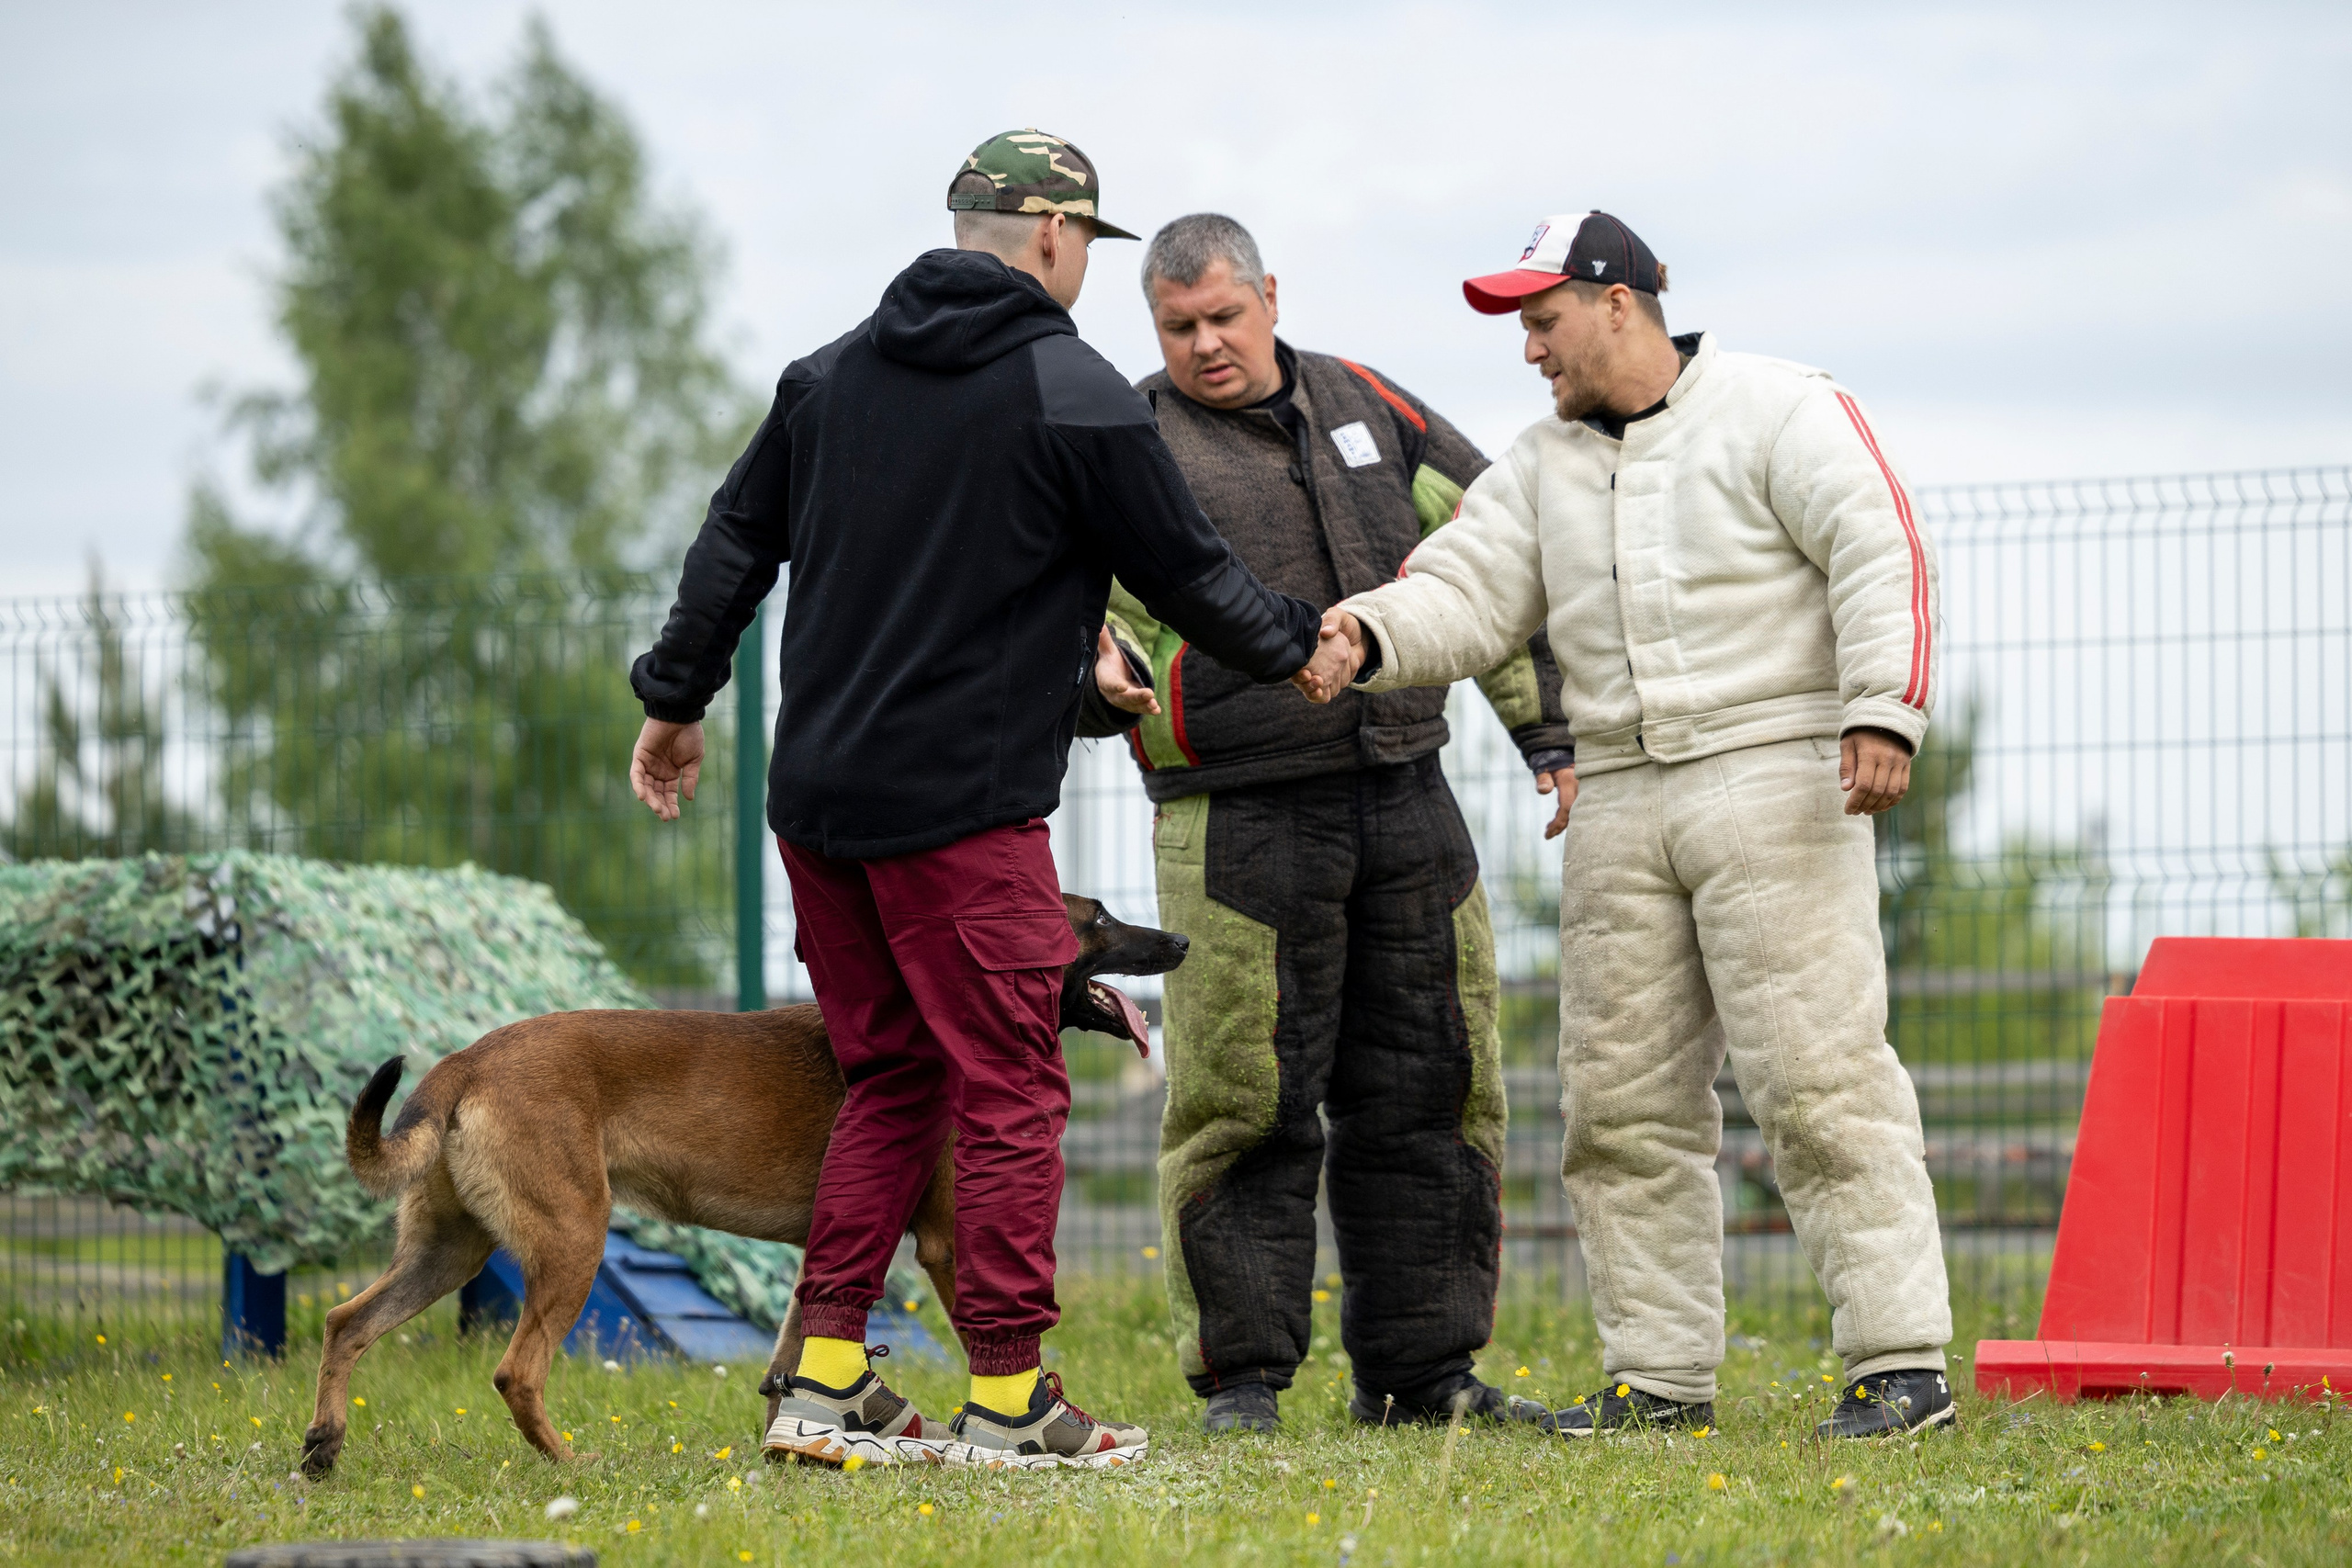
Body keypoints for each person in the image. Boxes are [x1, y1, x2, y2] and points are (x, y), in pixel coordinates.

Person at [626, 130, 1320, 1470]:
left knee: (893, 1075)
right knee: (1009, 1087)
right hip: (961, 820)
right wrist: (1310, 647)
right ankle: (1009, 1397)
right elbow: (1188, 576)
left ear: (966, 230)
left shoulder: (825, 379)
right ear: (1057, 240)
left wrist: (674, 699)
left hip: (819, 807)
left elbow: (733, 541)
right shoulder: (1069, 389)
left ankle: (823, 1382)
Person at [1299, 210, 1956, 1439]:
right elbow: (1466, 588)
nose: (1531, 352)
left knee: (1819, 1080)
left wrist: (1884, 712)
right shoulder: (1540, 464)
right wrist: (1370, 630)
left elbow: (1880, 548)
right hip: (1618, 797)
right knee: (1621, 1110)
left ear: (1618, 302)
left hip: (1778, 776)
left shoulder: (1780, 408)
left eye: (1541, 322)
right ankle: (1659, 1380)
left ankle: (1899, 1365)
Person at [1101, 214, 1575, 1433]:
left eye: (1224, 317)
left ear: (1270, 297)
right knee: (1243, 1101)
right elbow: (1069, 622)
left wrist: (1549, 736)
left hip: (1409, 796)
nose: (1207, 345)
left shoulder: (1368, 402)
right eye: (1179, 327)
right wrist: (1086, 683)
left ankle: (1424, 1378)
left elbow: (1492, 559)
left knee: (1434, 1085)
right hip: (1234, 825)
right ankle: (1243, 1381)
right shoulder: (1128, 441)